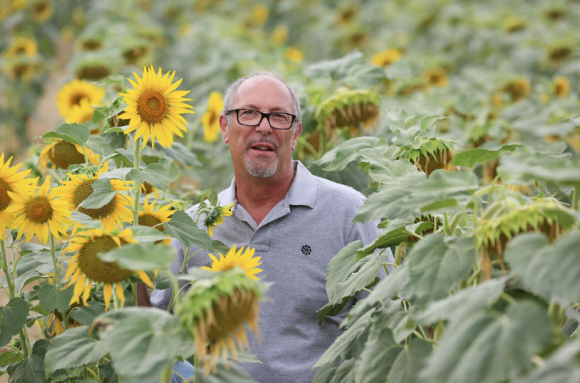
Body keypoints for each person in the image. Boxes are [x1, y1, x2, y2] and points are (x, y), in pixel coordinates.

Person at [147, 72, 391, 383]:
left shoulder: (351, 213)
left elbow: (385, 322)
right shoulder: (195, 226)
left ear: (296, 132)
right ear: (224, 127)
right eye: (248, 113)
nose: (264, 126)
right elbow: (155, 331)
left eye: (278, 117)